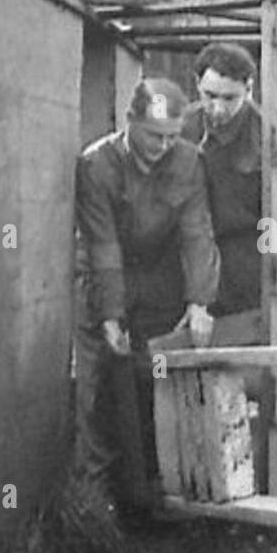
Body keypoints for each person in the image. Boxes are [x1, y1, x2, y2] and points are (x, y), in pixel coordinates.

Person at [180, 41, 277, 493]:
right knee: (211, 359)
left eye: (229, 98)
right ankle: (218, 472)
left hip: (265, 251)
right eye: (210, 96)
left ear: (248, 89)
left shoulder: (269, 135)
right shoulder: (185, 129)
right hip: (206, 255)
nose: (218, 108)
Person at [73, 77, 219, 515]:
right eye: (154, 135)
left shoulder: (191, 162)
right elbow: (102, 244)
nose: (163, 145)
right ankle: (97, 501)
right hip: (103, 277)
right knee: (95, 385)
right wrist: (111, 314)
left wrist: (199, 301)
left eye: (173, 136)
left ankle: (159, 488)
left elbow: (197, 232)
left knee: (152, 376)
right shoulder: (96, 165)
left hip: (159, 281)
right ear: (130, 121)